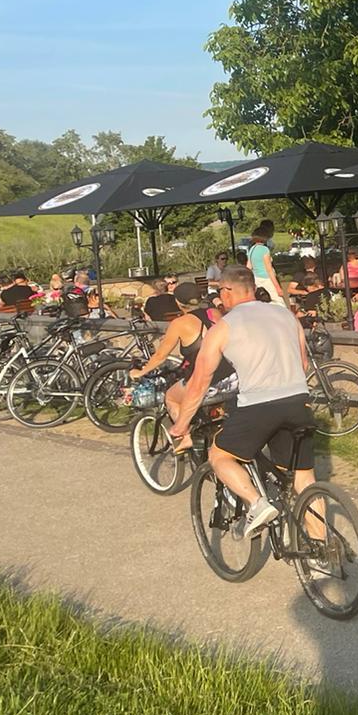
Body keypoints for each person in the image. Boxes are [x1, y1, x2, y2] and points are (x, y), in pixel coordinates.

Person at [173, 265, 315, 542]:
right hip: (298, 399)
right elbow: (304, 362)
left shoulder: (223, 327)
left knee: (220, 456)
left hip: (259, 405)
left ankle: (257, 504)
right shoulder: (285, 314)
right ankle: (323, 553)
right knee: (304, 478)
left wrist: (181, 424)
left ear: (226, 291)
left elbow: (200, 382)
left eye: (219, 292)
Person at [133, 281, 237, 453]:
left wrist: (140, 372)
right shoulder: (215, 313)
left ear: (178, 302)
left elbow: (160, 356)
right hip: (233, 378)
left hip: (209, 381)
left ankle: (186, 436)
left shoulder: (180, 323)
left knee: (171, 397)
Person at [247, 220, 286, 305]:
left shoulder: (252, 249)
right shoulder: (264, 250)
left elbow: (248, 267)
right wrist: (278, 288)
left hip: (257, 279)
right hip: (267, 279)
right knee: (279, 303)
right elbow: (269, 270)